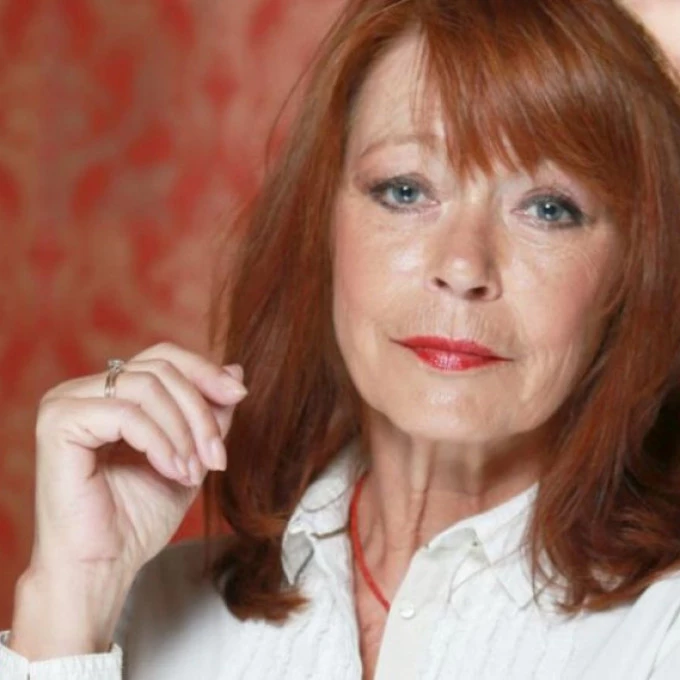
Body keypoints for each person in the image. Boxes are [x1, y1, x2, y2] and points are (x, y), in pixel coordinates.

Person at [3, 0, 680, 677]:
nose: (462, 266)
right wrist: (70, 597)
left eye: (548, 208)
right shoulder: (141, 611)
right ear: (323, 229)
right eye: (406, 191)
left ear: (634, 272)